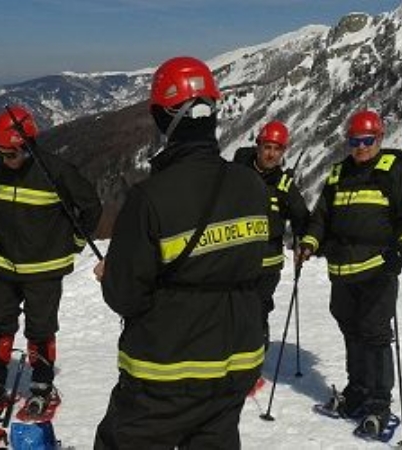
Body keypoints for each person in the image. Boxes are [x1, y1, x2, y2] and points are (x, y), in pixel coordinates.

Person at [93, 56, 270, 449]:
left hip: (167, 370)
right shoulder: (252, 186)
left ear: (163, 119)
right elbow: (247, 265)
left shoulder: (150, 198)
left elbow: (126, 296)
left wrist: (114, 272)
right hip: (237, 361)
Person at [297, 109, 402, 438]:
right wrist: (310, 242)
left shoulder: (393, 171)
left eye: (367, 141)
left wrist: (401, 251)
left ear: (379, 138)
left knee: (375, 334)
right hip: (341, 270)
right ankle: (358, 390)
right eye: (355, 141)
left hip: (377, 269)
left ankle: (379, 404)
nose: (361, 147)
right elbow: (321, 216)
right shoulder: (338, 173)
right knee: (351, 329)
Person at [0, 106, 102, 418]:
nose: (5, 158)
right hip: (4, 266)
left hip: (44, 269)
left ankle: (41, 385)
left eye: (11, 152)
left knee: (39, 329)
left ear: (27, 146)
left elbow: (91, 207)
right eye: (0, 152)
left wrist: (75, 243)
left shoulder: (56, 172)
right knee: (0, 325)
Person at [232, 120, 309, 347]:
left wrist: (304, 243)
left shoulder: (284, 186)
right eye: (267, 147)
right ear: (258, 146)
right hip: (236, 258)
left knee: (257, 313)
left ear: (283, 152)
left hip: (267, 264)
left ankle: (253, 368)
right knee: (231, 311)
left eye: (277, 149)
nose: (271, 154)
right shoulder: (238, 172)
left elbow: (302, 219)